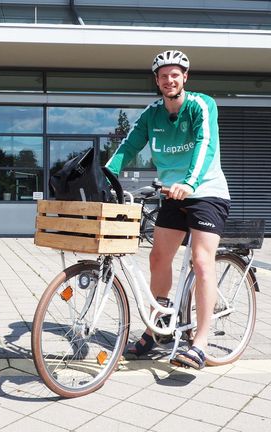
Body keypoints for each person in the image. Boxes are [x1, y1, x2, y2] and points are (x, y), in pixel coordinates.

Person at [106, 50, 230, 370]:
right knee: (158, 257)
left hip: (206, 193)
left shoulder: (201, 105)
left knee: (202, 262)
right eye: (164, 76)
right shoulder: (152, 114)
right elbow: (128, 146)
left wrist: (190, 182)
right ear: (157, 81)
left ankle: (200, 342)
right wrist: (104, 177)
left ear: (184, 78)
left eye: (175, 74)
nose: (169, 80)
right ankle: (157, 328)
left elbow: (206, 144)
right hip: (173, 195)